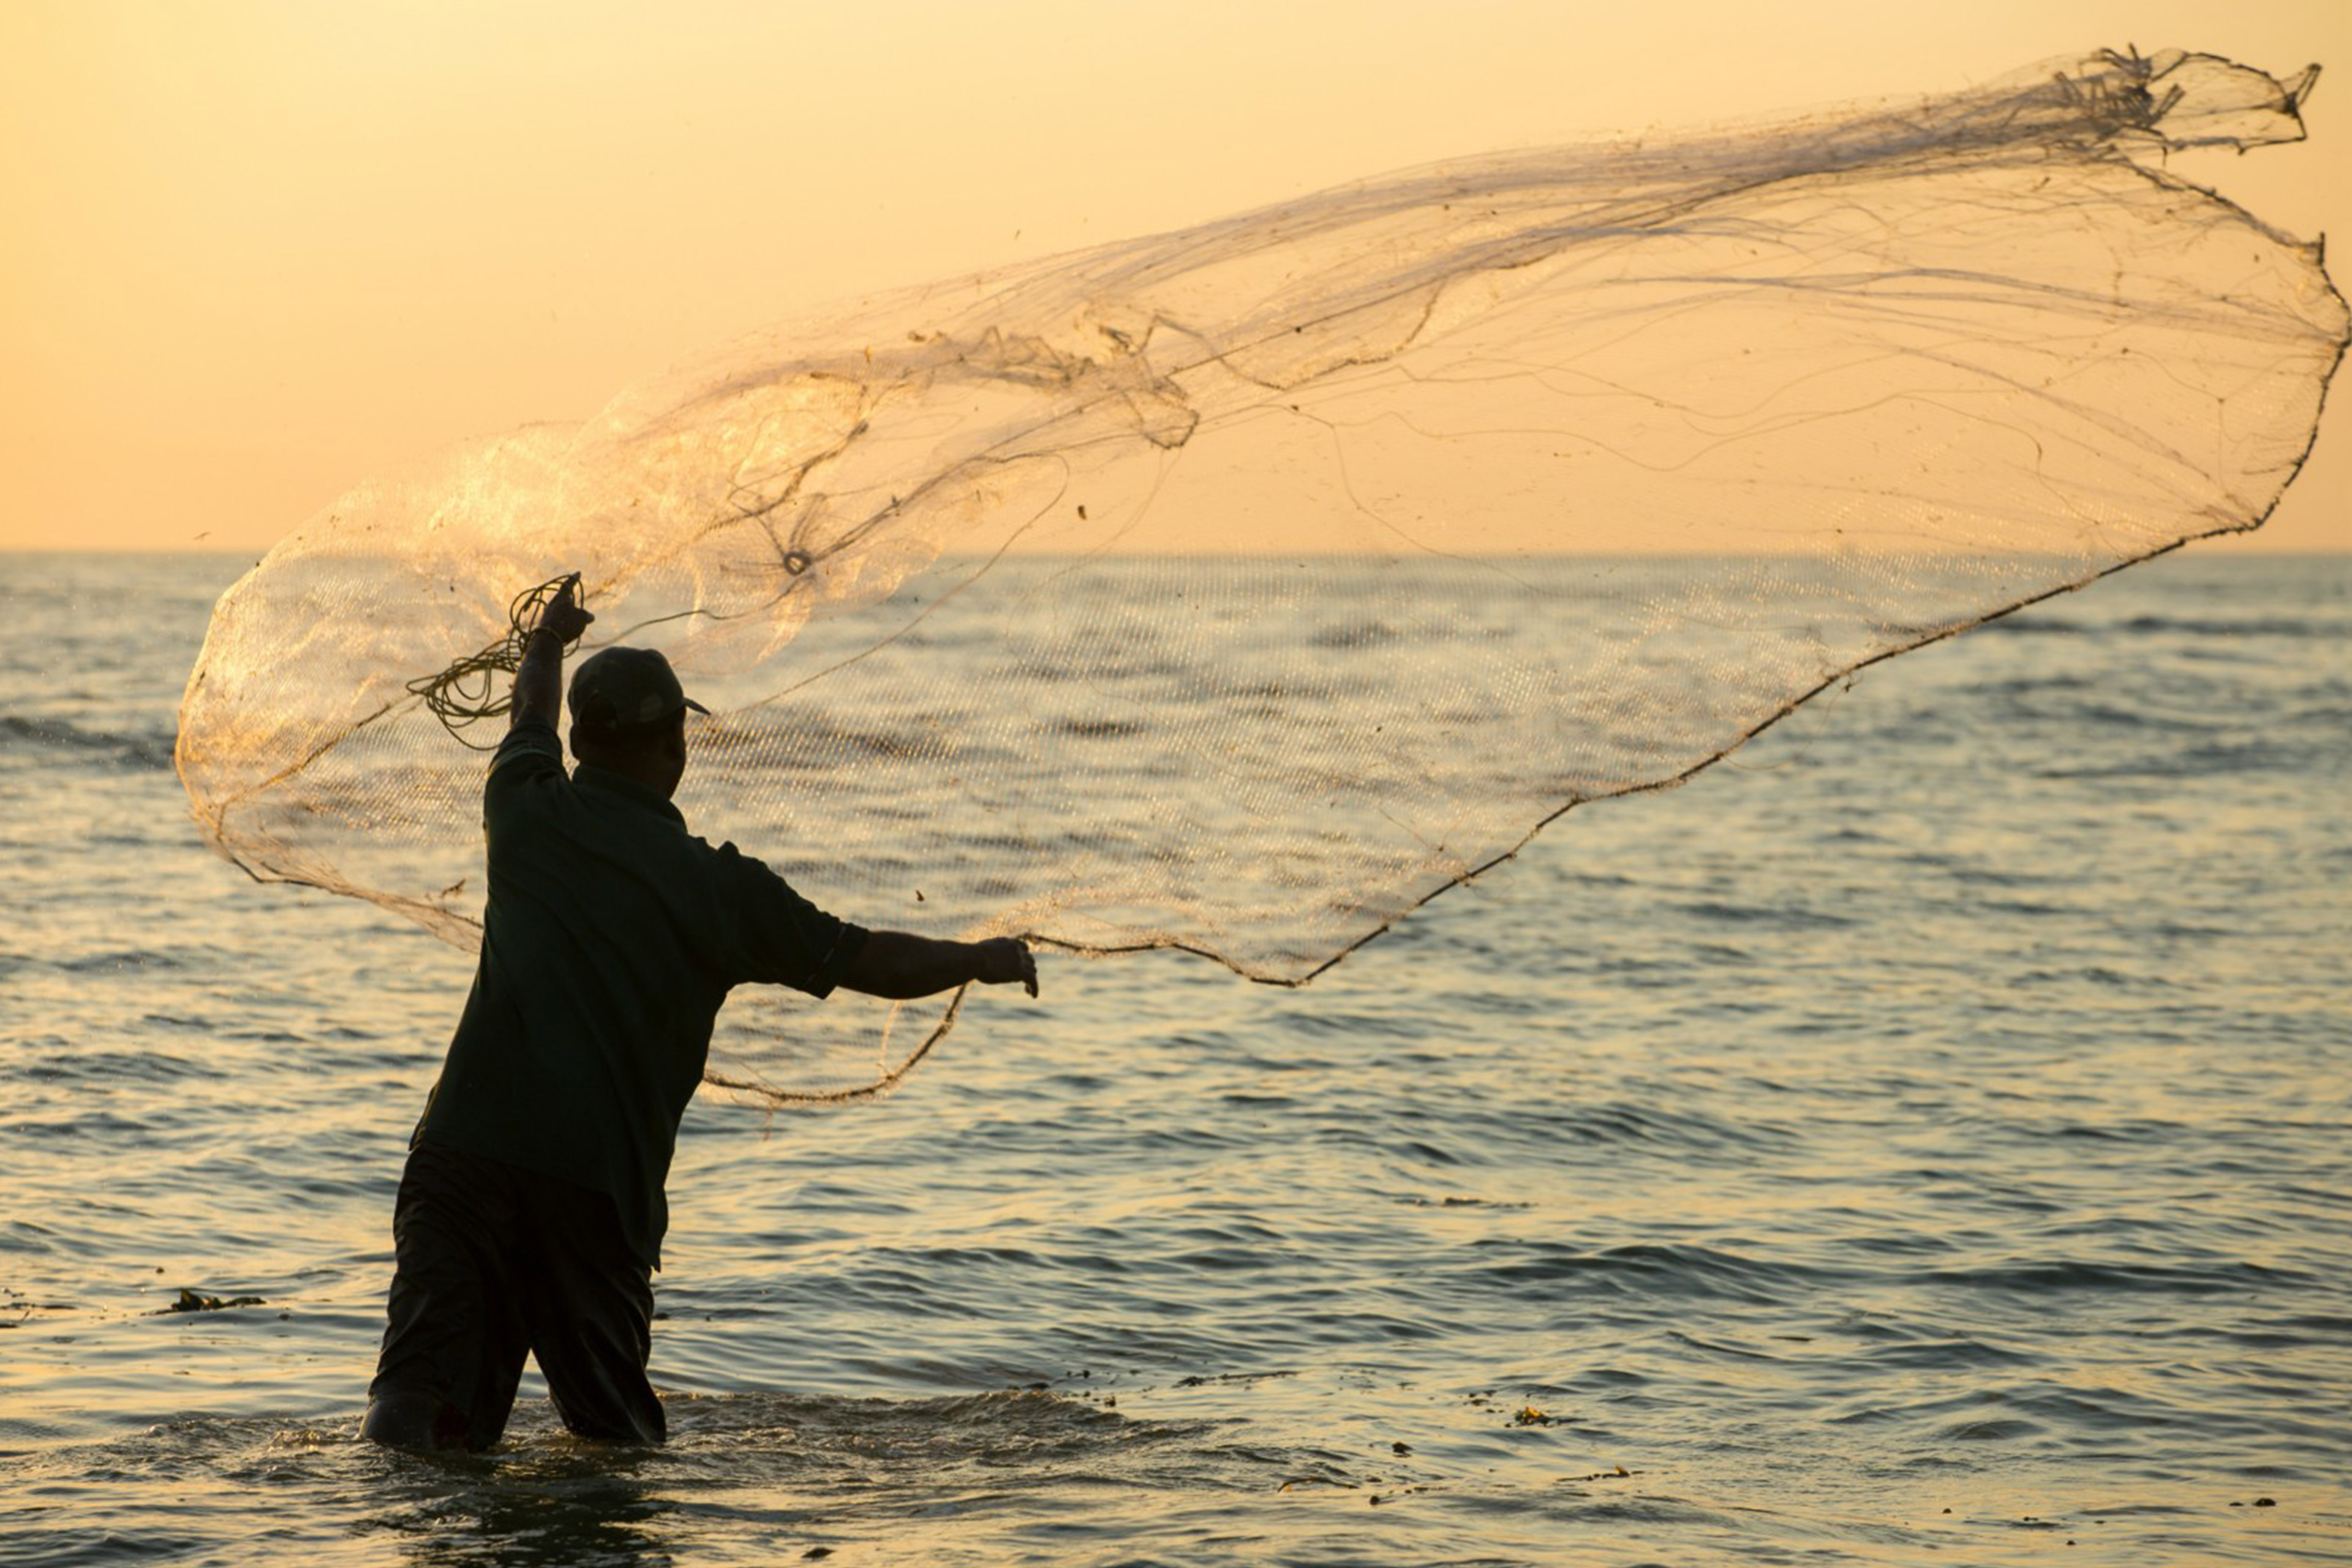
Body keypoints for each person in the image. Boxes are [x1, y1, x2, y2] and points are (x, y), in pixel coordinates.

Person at [361, 575, 1037, 1450]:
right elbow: (869, 959)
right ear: (677, 748)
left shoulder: (521, 808)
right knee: (616, 1447)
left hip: (461, 1162)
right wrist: (981, 959)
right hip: (591, 1192)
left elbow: (527, 708)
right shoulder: (720, 892)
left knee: (417, 1418)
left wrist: (549, 639)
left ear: (579, 741)